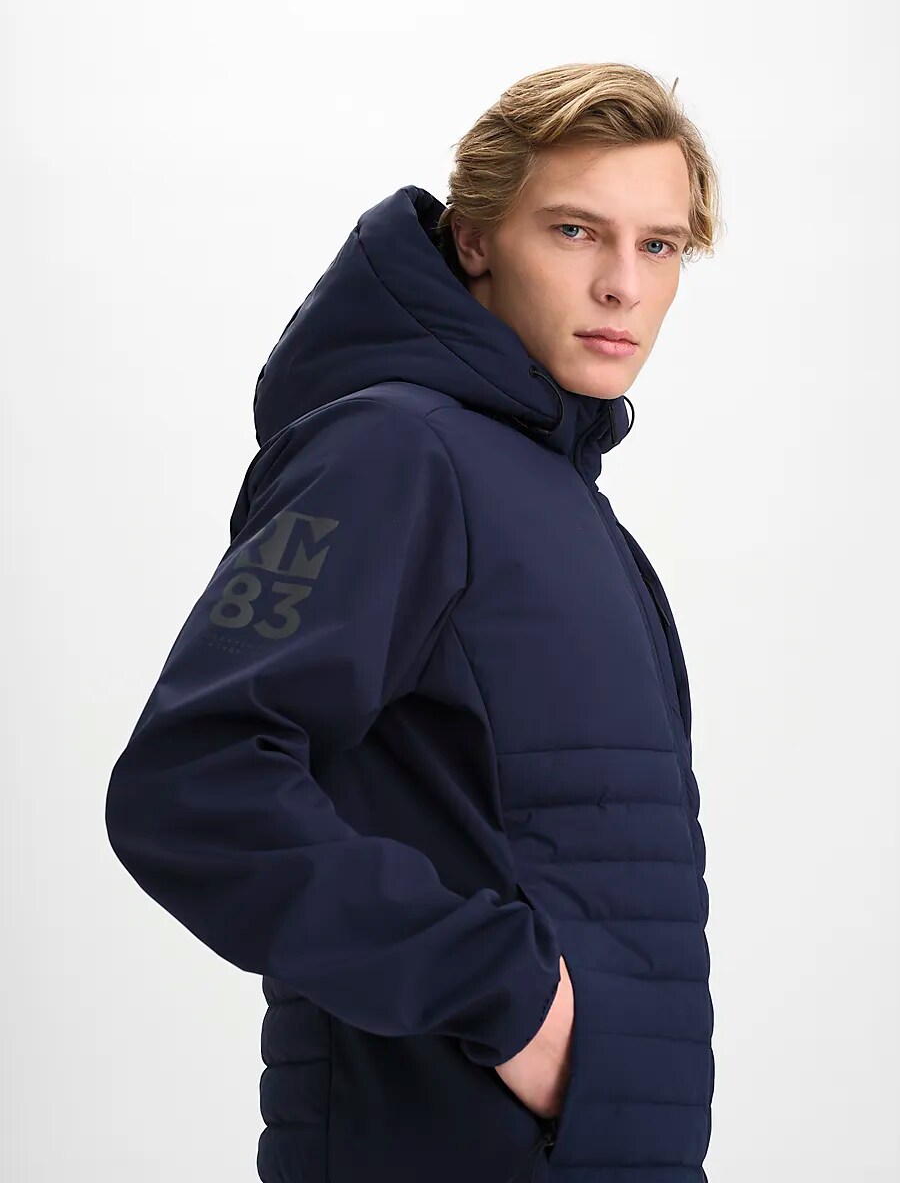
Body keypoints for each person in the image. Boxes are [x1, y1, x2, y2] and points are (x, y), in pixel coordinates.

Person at [105, 61, 722, 1183]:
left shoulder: (562, 500)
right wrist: (509, 1000)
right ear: (476, 238)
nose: (623, 286)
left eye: (660, 245)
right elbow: (193, 784)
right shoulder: (390, 454)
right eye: (576, 232)